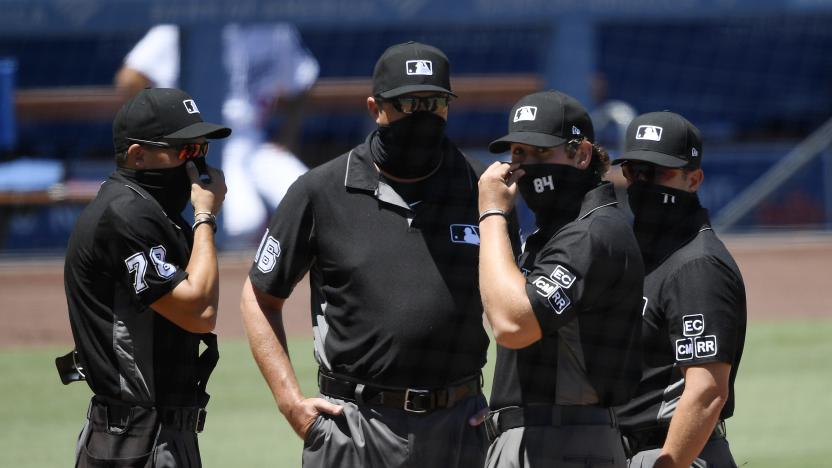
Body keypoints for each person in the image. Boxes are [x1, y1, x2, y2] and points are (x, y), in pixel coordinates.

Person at [240, 41, 513, 467]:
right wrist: (290, 402)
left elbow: (517, 307)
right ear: (375, 108)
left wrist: (506, 406)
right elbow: (259, 296)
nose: (421, 113)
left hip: (461, 425)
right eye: (408, 102)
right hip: (356, 427)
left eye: (434, 102)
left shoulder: (480, 189)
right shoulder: (321, 191)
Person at [59, 87, 230, 467]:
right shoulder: (124, 214)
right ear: (138, 155)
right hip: (133, 442)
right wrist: (206, 216)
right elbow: (198, 310)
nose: (197, 165)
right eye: (185, 151)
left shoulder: (151, 210)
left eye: (201, 150)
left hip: (154, 435)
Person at [477, 90, 645, 467]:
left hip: (565, 440)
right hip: (549, 436)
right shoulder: (554, 233)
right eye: (518, 154)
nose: (526, 166)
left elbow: (512, 325)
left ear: (582, 154)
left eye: (541, 153)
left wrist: (491, 214)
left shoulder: (591, 233)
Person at [613, 111, 747, 467]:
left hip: (676, 454)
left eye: (659, 172)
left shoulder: (697, 265)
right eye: (634, 171)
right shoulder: (642, 252)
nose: (644, 182)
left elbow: (706, 392)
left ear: (694, 179)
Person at [115, 23, 318, 245]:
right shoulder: (186, 20)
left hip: (254, 141)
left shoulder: (273, 27)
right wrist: (162, 131)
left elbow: (302, 80)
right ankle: (225, 276)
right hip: (203, 142)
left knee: (314, 201)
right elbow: (129, 79)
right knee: (241, 222)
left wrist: (286, 138)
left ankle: (283, 274)